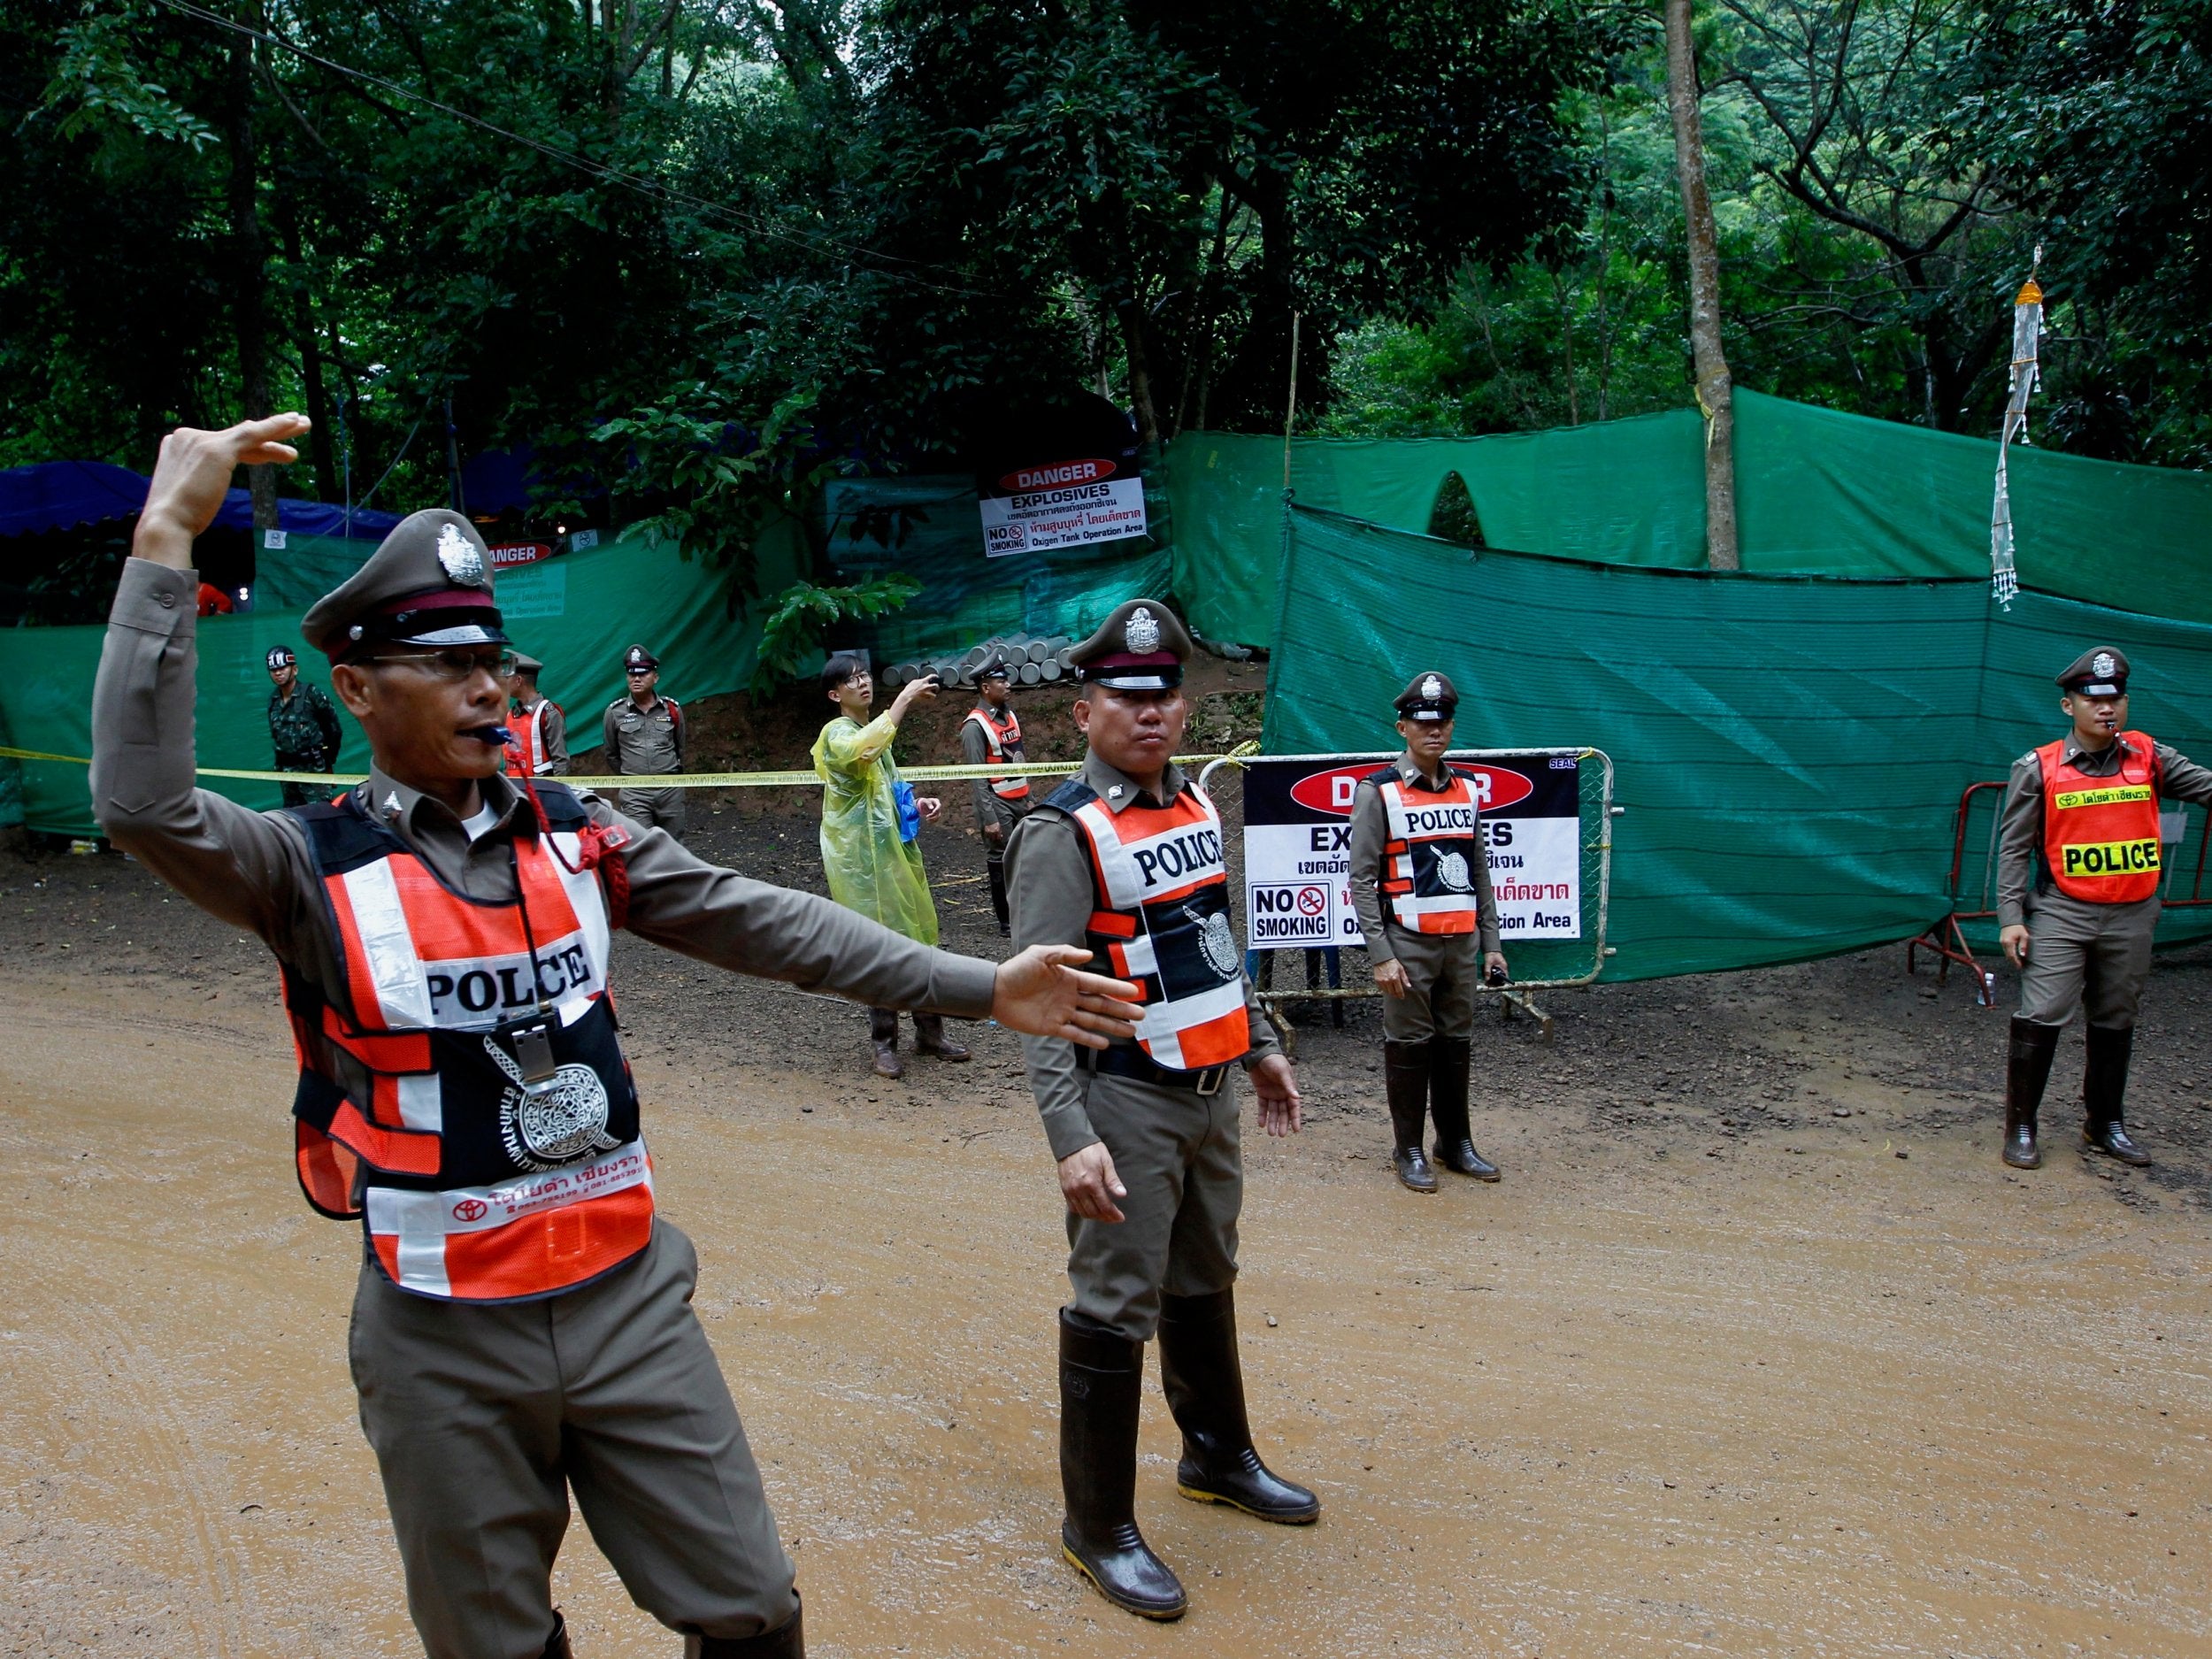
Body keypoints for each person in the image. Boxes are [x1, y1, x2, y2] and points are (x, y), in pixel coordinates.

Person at [88, 415, 1147, 1659]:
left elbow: (773, 923)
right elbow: (142, 800)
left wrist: (981, 981)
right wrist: (166, 536)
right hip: (441, 1331)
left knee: (752, 1606)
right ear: (359, 690)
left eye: (496, 658)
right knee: (493, 1641)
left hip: (627, 1300)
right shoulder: (303, 866)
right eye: (446, 664)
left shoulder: (576, 833)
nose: (490, 686)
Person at [1003, 598, 1316, 1623]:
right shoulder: (1060, 833)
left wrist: (1262, 1046)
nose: (1151, 713)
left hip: (1209, 1091)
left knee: (1202, 1276)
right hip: (1126, 1098)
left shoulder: (1188, 810)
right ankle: (1097, 1527)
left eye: (1166, 695)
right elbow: (1042, 1002)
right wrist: (1070, 1136)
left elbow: (1213, 943)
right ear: (1084, 711)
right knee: (1113, 1302)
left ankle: (1216, 1456)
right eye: (1128, 698)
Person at [1995, 647, 2212, 1171]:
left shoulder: (2150, 757)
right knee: (2042, 1012)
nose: (2106, 709)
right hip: (2062, 911)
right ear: (2069, 707)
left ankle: (2105, 1124)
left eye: (2115, 699)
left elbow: (2206, 787)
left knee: (2117, 1016)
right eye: (2093, 701)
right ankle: (2021, 1127)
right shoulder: (2039, 767)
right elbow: (2012, 846)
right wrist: (2011, 918)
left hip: (2133, 913)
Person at [1344, 671, 1508, 1193]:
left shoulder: (1467, 789)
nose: (1433, 731)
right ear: (1402, 728)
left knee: (1456, 1041)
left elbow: (1479, 871)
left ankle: (1455, 1143)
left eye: (1442, 722)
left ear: (1452, 727)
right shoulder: (1379, 793)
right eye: (1422, 722)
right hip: (1407, 944)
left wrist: (1492, 945)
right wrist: (1380, 954)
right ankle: (1409, 1148)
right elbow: (1361, 879)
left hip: (1460, 943)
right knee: (1410, 1042)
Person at [812, 653, 969, 1079]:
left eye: (864, 675)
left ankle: (930, 1033)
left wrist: (916, 805)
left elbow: (886, 793)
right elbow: (862, 752)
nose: (862, 683)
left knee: (919, 940)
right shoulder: (837, 734)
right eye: (851, 680)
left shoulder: (875, 736)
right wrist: (904, 698)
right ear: (835, 694)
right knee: (880, 947)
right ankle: (883, 1043)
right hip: (863, 863)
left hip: (893, 855)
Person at [960, 650, 1033, 936]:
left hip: (1020, 801)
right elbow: (977, 778)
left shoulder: (1010, 716)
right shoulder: (974, 726)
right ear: (985, 687)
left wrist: (1029, 798)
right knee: (1000, 860)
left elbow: (1018, 759)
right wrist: (988, 817)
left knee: (1023, 859)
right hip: (997, 804)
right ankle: (1007, 921)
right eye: (1001, 681)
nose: (1008, 685)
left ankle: (1024, 913)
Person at [603, 643, 687, 838]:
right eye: (631, 674)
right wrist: (633, 776)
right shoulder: (615, 712)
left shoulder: (671, 709)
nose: (636, 678)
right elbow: (611, 753)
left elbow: (680, 747)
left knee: (675, 848)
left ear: (655, 677)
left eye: (643, 674)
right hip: (635, 792)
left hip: (670, 789)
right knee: (641, 846)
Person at [265, 643, 345, 807]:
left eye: (283, 668)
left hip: (313, 772)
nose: (278, 673)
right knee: (293, 820)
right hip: (287, 775)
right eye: (274, 670)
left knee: (322, 816)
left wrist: (326, 758)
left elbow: (333, 729)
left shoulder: (312, 694)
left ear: (295, 670)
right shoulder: (273, 701)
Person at [504, 651, 570, 778]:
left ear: (518, 680)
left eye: (508, 678)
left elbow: (561, 761)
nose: (504, 682)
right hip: (516, 790)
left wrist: (557, 794)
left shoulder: (548, 713)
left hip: (542, 792)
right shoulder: (510, 715)